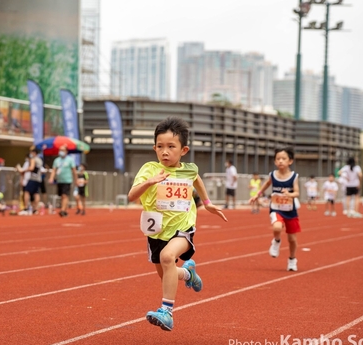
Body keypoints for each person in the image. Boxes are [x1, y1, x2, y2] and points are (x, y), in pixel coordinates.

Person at [128, 117, 227, 332]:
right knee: (167, 273)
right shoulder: (149, 169)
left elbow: (196, 178)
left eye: (171, 147)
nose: (165, 152)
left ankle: (167, 312)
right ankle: (188, 274)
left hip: (183, 226)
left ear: (184, 150)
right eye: (160, 147)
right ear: (154, 148)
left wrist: (207, 203)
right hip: (156, 229)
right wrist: (150, 182)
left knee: (167, 257)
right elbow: (131, 196)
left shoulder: (189, 169)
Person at [249, 147, 301, 272]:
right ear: (275, 161)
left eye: (283, 158)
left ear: (290, 161)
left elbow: (297, 193)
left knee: (292, 239)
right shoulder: (272, 175)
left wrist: (289, 194)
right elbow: (266, 184)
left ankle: (292, 259)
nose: (280, 161)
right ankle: (277, 241)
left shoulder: (294, 176)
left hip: (290, 210)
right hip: (276, 208)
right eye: (278, 159)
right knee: (277, 227)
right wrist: (257, 195)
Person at [49, 145, 77, 217]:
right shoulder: (56, 160)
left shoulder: (70, 160)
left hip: (67, 180)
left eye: (62, 150)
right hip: (59, 180)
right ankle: (65, 210)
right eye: (60, 150)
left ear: (66, 151)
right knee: (62, 196)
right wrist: (51, 178)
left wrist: (76, 180)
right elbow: (54, 170)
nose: (61, 152)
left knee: (65, 195)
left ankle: (62, 210)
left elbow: (74, 170)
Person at [22, 146, 43, 215]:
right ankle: (35, 209)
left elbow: (31, 168)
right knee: (36, 193)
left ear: (34, 153)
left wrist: (23, 170)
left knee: (26, 192)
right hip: (38, 179)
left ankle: (26, 208)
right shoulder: (40, 160)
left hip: (33, 179)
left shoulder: (33, 159)